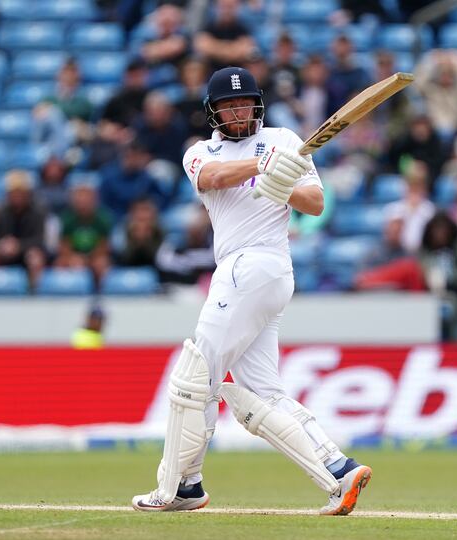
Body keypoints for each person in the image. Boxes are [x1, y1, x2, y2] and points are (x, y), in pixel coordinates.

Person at [132, 66, 371, 515]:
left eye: (245, 103)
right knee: (261, 393)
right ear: (214, 112)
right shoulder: (199, 151)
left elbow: (315, 203)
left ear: (257, 105)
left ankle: (181, 487)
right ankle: (339, 470)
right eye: (229, 105)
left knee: (195, 375)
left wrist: (284, 187)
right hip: (248, 273)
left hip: (257, 265)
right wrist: (262, 168)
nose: (239, 111)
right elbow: (214, 178)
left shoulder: (284, 140)